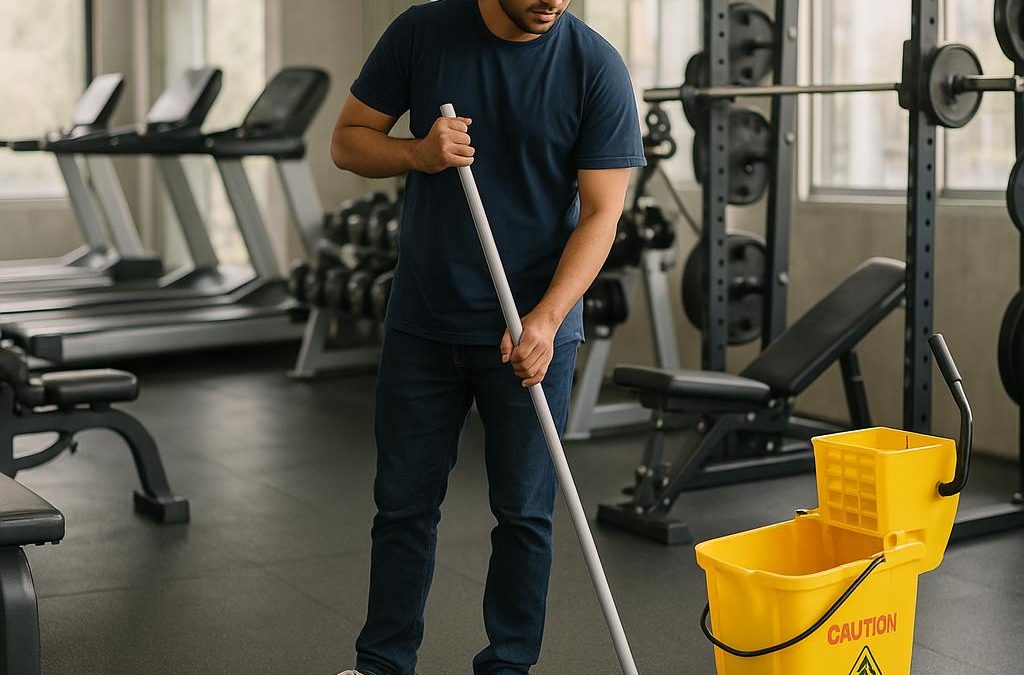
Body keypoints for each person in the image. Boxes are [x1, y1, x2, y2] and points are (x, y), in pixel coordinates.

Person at [331, 1, 644, 673]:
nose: (551, 0)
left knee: (525, 514)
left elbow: (602, 212)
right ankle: (382, 663)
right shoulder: (422, 34)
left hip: (533, 329)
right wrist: (419, 152)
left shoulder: (595, 68)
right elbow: (347, 140)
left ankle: (507, 666)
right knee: (404, 506)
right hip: (424, 321)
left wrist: (549, 318)